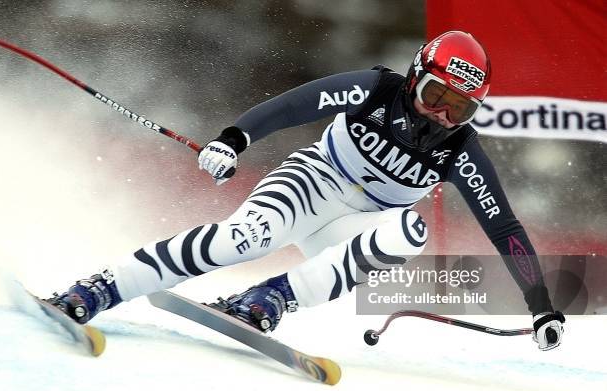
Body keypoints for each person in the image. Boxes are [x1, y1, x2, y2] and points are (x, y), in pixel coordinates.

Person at [45, 30, 565, 350]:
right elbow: (299, 105)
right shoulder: (377, 88)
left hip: (355, 228)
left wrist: (540, 302)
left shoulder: (461, 150)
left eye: (461, 108)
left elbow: (503, 226)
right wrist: (233, 140)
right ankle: (101, 288)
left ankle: (271, 298)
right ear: (414, 79)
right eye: (436, 96)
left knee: (411, 230)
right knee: (238, 242)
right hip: (313, 182)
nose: (441, 114)